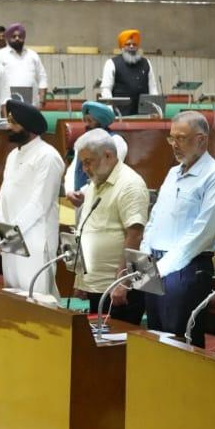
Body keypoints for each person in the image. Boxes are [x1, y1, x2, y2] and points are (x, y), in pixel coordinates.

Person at [140, 111, 215, 347]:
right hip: (156, 266)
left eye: (181, 138)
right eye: (171, 138)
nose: (174, 145)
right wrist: (145, 258)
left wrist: (163, 267)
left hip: (187, 269)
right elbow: (155, 218)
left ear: (201, 140)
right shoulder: (173, 172)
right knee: (154, 341)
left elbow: (203, 233)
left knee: (180, 344)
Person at [71, 129, 149, 324]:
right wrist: (81, 280)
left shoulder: (130, 184)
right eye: (82, 163)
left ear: (108, 155)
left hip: (118, 289)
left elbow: (135, 235)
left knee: (117, 341)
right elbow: (88, 229)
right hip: (97, 285)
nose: (84, 169)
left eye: (88, 162)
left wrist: (122, 282)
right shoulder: (96, 182)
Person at [0, 100, 66, 297]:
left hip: (35, 238)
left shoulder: (48, 156)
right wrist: (0, 226)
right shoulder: (12, 155)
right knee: (13, 295)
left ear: (29, 127)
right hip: (11, 237)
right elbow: (4, 193)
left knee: (36, 297)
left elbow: (39, 203)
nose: (8, 127)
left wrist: (13, 231)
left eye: (13, 123)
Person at [65, 101, 129, 208]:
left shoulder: (115, 141)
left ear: (101, 122)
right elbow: (73, 169)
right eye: (84, 120)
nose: (86, 124)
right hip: (79, 200)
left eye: (90, 121)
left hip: (100, 200)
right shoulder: (83, 141)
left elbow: (107, 173)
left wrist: (83, 193)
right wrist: (70, 191)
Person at [100, 29, 159, 116]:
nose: (131, 46)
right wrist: (110, 112)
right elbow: (106, 89)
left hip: (144, 115)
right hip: (120, 115)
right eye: (128, 44)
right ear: (122, 46)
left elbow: (153, 88)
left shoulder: (147, 63)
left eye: (134, 44)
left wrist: (156, 110)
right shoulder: (111, 63)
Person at [0, 24, 48, 106]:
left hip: (31, 104)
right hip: (7, 104)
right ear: (8, 38)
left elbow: (42, 77)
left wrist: (42, 99)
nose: (17, 38)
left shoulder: (33, 55)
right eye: (14, 36)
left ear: (24, 38)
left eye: (20, 36)